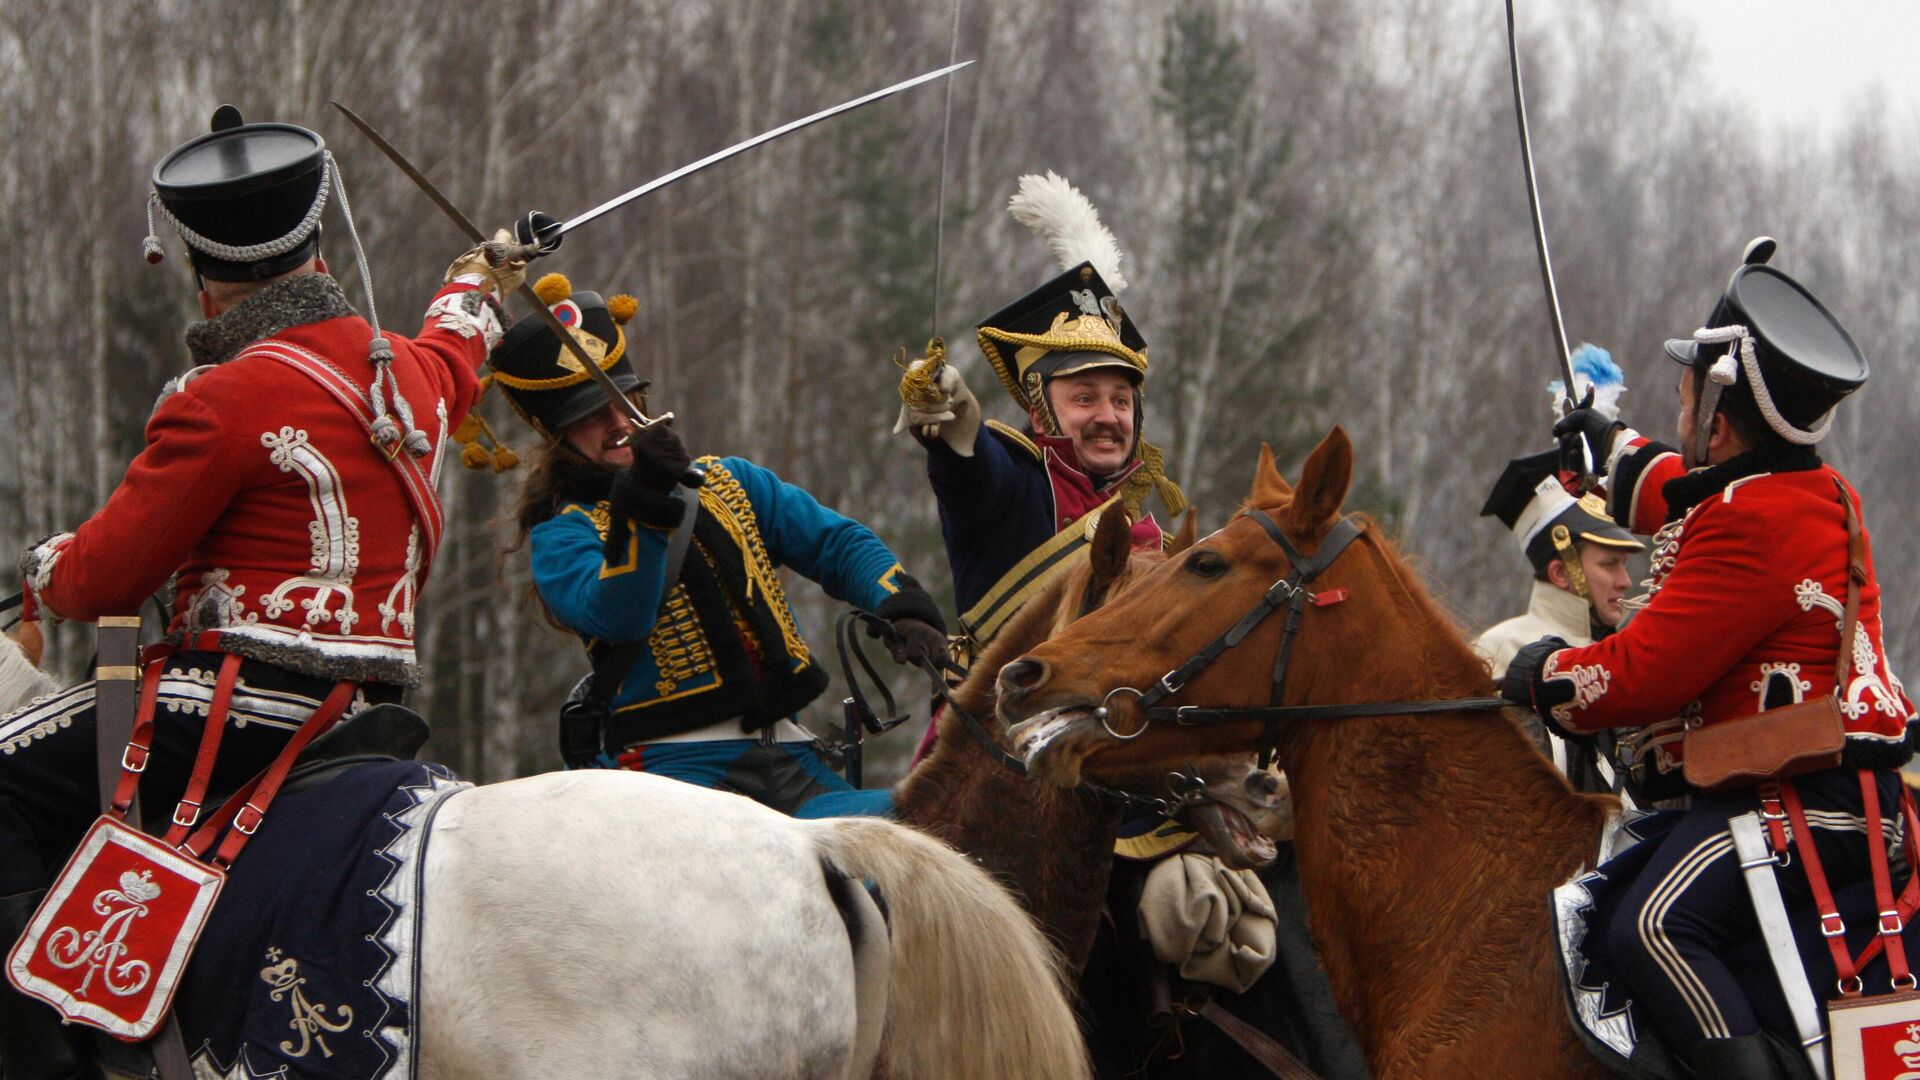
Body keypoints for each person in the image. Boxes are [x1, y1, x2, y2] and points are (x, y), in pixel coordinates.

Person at [0, 107, 513, 1078]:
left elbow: (102, 580)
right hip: (364, 706)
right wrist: (482, 277)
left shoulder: (219, 400)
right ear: (316, 238)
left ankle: (46, 1060)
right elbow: (461, 346)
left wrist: (44, 566)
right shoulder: (410, 376)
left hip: (228, 709)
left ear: (197, 260)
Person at [1502, 242, 1915, 1078]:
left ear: (1718, 421)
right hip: (1833, 787)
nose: (1680, 403)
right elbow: (1686, 492)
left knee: (1649, 926)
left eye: (1688, 393)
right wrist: (1613, 447)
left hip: (1804, 800)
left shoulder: (1751, 521)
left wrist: (1542, 675)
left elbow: (1642, 674)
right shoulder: (1805, 490)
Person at [486, 273, 945, 818]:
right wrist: (646, 506)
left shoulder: (731, 480)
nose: (616, 422)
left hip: (791, 753)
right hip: (672, 773)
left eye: (625, 400)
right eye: (588, 415)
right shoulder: (562, 535)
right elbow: (620, 616)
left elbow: (836, 544)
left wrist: (899, 602)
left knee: (924, 833)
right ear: (559, 438)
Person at [894, 172, 1186, 652]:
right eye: (1085, 397)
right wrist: (950, 410)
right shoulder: (1010, 482)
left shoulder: (1154, 538)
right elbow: (968, 456)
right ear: (1038, 406)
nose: (1110, 417)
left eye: (1121, 399)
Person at [1475, 447, 1641, 679]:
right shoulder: (1500, 649)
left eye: (1624, 564)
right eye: (1609, 564)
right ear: (1561, 573)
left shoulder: (1628, 653)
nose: (1625, 581)